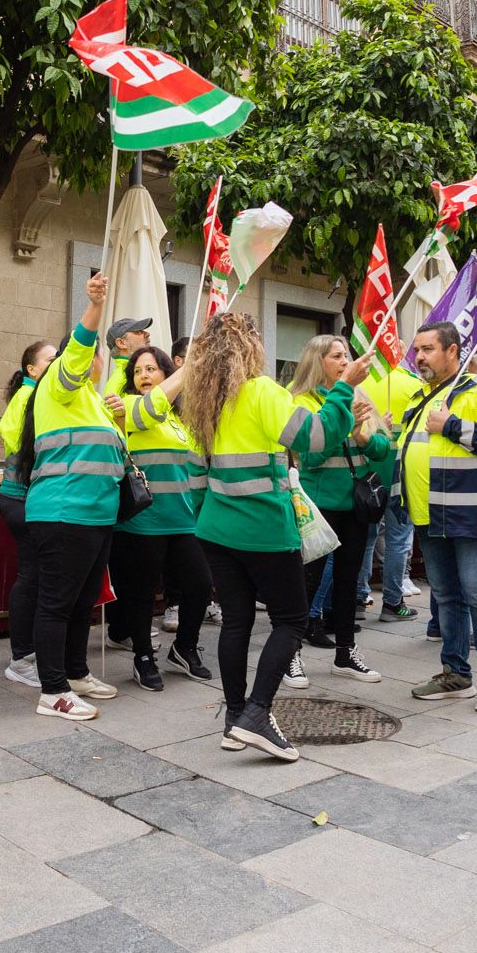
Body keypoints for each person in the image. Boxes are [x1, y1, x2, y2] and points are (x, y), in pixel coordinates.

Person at [173, 312, 372, 759]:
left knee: (237, 623)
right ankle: (257, 713)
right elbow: (315, 437)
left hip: (216, 531)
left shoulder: (203, 400)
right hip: (264, 528)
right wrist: (345, 387)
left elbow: (196, 477)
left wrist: (210, 519)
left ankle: (235, 719)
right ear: (251, 348)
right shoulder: (262, 391)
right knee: (291, 620)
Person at [20, 273, 129, 720]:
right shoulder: (60, 385)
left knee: (84, 601)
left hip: (95, 516)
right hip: (65, 512)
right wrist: (95, 308)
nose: (98, 359)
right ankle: (53, 691)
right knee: (57, 603)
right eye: (95, 353)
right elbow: (79, 348)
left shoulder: (93, 401)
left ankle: (76, 672)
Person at [399, 323, 477, 713]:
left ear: (453, 351)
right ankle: (455, 673)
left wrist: (450, 425)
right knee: (446, 596)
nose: (419, 357)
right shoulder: (419, 397)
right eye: (417, 350)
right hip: (428, 515)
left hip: (473, 513)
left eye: (428, 349)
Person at [109, 344, 216, 688]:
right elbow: (150, 409)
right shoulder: (127, 406)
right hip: (143, 521)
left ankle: (184, 648)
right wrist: (188, 369)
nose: (144, 375)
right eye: (138, 370)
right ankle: (143, 657)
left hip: (183, 520)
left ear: (164, 373)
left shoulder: (178, 418)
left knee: (200, 585)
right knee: (141, 594)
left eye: (151, 369)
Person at [288, 336, 391, 683]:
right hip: (319, 507)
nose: (345, 361)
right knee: (307, 581)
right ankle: (290, 653)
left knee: (348, 582)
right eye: (336, 356)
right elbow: (312, 457)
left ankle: (345, 653)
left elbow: (382, 449)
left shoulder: (359, 395)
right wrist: (345, 424)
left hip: (355, 506)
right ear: (317, 361)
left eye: (346, 354)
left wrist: (363, 437)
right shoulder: (303, 400)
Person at [0, 339, 56, 686]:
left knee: (38, 576)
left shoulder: (39, 396)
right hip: (21, 499)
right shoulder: (26, 398)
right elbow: (21, 445)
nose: (57, 363)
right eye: (50, 359)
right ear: (31, 370)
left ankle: (31, 651)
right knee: (31, 576)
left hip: (30, 499)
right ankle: (21, 659)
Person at [358, 358, 425, 621]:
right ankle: (393, 603)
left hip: (369, 472)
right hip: (400, 470)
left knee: (367, 538)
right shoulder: (414, 384)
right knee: (398, 538)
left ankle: (359, 598)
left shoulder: (359, 382)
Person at [104, 315, 153, 395]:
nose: (147, 333)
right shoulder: (119, 382)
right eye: (138, 331)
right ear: (121, 343)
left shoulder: (140, 372)